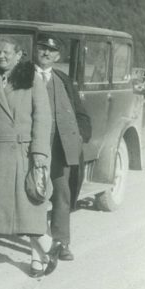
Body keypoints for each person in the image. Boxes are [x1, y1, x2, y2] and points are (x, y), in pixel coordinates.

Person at [0, 37, 55, 278]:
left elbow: (43, 117)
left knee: (30, 207)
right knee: (7, 211)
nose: (1, 56)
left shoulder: (31, 79)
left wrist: (39, 152)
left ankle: (42, 253)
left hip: (24, 153)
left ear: (19, 56)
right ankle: (44, 252)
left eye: (7, 53)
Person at [35, 35, 92, 262]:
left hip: (59, 147)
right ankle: (38, 240)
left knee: (62, 193)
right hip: (33, 146)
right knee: (34, 192)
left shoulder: (63, 80)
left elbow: (79, 111)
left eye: (51, 51)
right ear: (35, 51)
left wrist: (80, 137)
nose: (46, 54)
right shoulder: (24, 77)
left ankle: (61, 242)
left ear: (58, 56)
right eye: (42, 49)